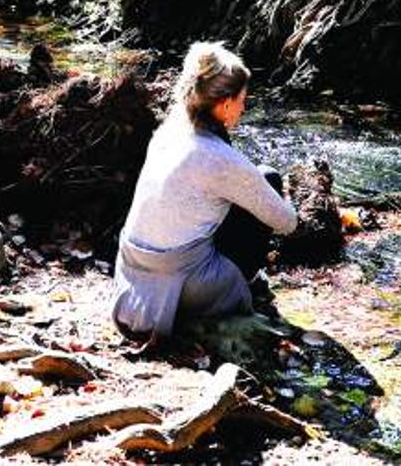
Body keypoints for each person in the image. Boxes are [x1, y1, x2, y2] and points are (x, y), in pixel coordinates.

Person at [111, 42, 298, 341]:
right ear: (224, 104)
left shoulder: (169, 130)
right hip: (184, 285)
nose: (244, 108)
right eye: (242, 100)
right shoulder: (219, 157)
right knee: (269, 177)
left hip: (132, 271)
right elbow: (287, 223)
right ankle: (245, 284)